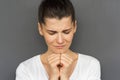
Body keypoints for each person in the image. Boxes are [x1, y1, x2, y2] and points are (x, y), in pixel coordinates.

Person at [15, 0, 101, 80]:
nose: (60, 41)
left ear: (74, 26)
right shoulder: (26, 69)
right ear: (40, 28)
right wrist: (53, 77)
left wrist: (65, 77)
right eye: (52, 33)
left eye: (66, 32)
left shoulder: (90, 65)